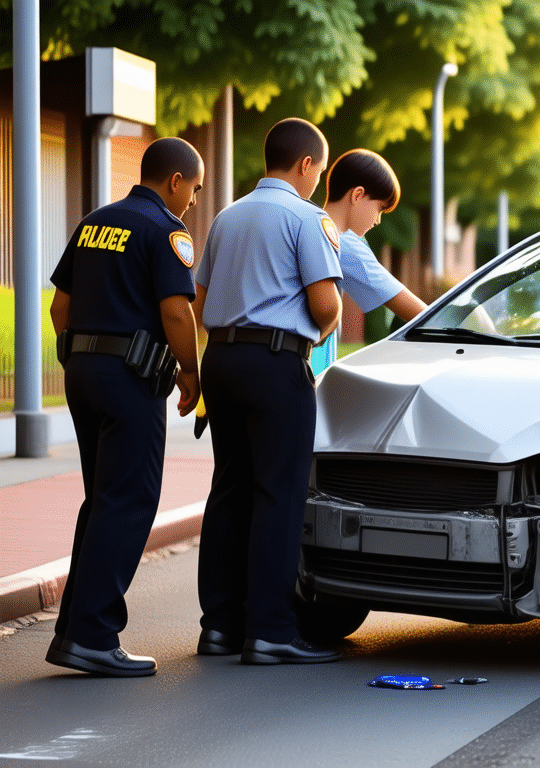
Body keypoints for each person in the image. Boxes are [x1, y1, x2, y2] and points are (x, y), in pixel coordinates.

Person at [45, 138, 204, 677]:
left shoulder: (95, 221)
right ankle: (92, 635)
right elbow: (177, 314)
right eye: (195, 190)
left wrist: (91, 359)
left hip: (83, 373)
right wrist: (190, 372)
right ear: (176, 181)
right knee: (130, 498)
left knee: (102, 500)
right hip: (130, 377)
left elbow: (59, 307)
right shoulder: (165, 230)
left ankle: (74, 631)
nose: (195, 203)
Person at [193, 118, 343, 664]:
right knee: (279, 493)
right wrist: (318, 333)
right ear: (305, 164)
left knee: (229, 488)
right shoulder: (308, 218)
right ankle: (272, 630)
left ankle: (220, 627)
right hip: (276, 362)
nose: (316, 182)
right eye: (318, 172)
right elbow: (326, 307)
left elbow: (199, 296)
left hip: (222, 361)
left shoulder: (226, 217)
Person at [308, 149, 426, 376]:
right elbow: (412, 309)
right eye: (379, 208)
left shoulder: (310, 225)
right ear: (357, 195)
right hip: (310, 371)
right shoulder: (343, 242)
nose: (378, 220)